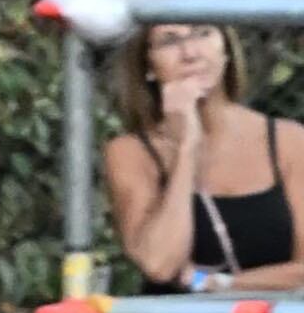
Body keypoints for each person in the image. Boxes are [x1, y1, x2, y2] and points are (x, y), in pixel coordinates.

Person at [105, 18, 304, 297]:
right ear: (148, 66)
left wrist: (215, 283)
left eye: (203, 34)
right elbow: (159, 265)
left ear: (226, 50)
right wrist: (186, 148)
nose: (191, 53)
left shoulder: (289, 140)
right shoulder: (130, 151)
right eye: (170, 41)